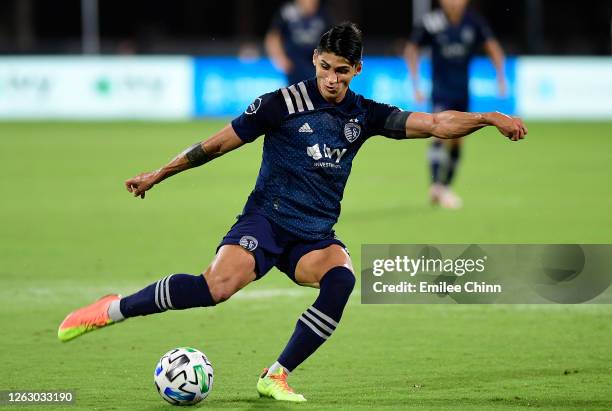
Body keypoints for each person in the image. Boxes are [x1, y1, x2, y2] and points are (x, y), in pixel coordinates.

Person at [58, 22, 526, 402]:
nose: (331, 78)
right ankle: (112, 309)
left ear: (356, 70)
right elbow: (217, 144)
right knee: (214, 288)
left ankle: (275, 375)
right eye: (325, 67)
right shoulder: (280, 104)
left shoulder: (364, 115)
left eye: (342, 70)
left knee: (342, 279)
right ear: (314, 62)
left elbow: (436, 123)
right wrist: (159, 173)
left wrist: (487, 118)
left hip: (313, 236)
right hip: (266, 221)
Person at [404, 0, 507, 208]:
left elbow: (493, 48)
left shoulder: (474, 22)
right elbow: (411, 50)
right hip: (440, 92)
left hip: (462, 92)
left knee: (458, 140)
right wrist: (415, 83)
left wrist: (501, 77)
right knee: (438, 134)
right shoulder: (432, 22)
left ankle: (445, 186)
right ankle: (436, 186)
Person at [265, 0, 331, 85]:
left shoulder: (322, 13)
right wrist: (279, 58)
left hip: (313, 64)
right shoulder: (287, 12)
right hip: (293, 65)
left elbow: (331, 38)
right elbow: (273, 36)